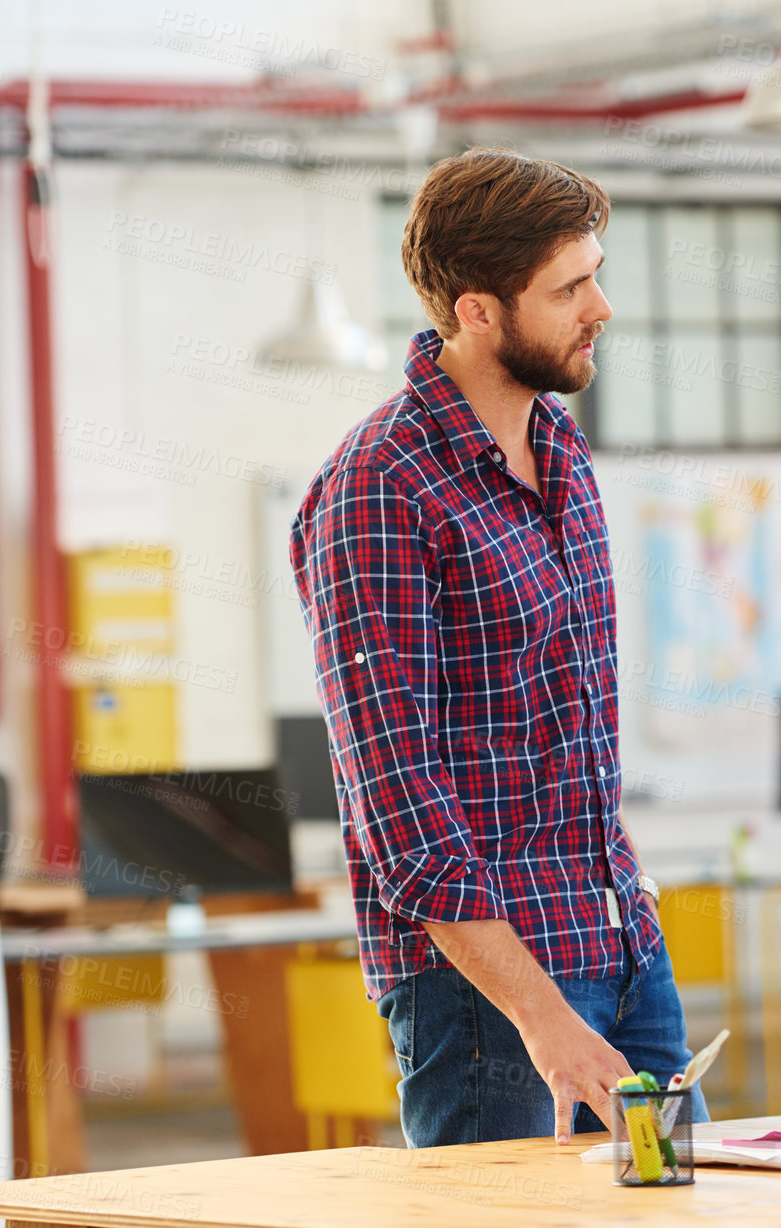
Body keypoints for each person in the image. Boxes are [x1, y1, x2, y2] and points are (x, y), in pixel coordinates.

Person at [290, 148, 704, 1148]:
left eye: (595, 274)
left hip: (620, 942)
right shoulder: (378, 488)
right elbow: (401, 810)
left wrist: (630, 902)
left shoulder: (558, 446)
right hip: (489, 997)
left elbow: (570, 724)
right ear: (476, 311)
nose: (599, 306)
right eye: (569, 287)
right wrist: (541, 1017)